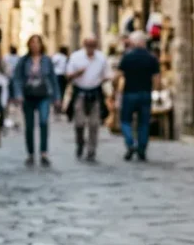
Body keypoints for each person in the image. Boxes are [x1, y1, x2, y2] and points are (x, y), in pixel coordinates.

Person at [10, 35, 61, 167]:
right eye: (32, 43)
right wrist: (18, 94)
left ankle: (44, 153)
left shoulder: (46, 60)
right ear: (29, 45)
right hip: (28, 95)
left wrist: (57, 97)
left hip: (43, 95)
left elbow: (53, 79)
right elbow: (17, 78)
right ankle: (31, 154)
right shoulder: (23, 60)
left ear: (41, 45)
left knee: (44, 122)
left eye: (37, 43)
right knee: (29, 126)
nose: (35, 45)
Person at [117, 30, 161, 161]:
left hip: (129, 93)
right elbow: (157, 79)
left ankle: (130, 143)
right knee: (144, 123)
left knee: (125, 121)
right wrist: (155, 91)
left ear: (134, 42)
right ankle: (141, 148)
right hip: (145, 93)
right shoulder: (152, 57)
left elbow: (119, 76)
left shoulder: (127, 57)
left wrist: (117, 92)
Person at [65, 35, 110, 162]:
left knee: (94, 124)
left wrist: (103, 79)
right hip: (80, 92)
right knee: (79, 122)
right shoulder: (76, 57)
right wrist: (77, 73)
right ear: (84, 45)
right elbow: (68, 75)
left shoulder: (101, 58)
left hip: (95, 92)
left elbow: (107, 74)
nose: (91, 47)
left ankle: (91, 150)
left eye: (93, 45)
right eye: (88, 45)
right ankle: (80, 143)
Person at [51, 46, 70, 113]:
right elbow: (66, 68)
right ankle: (59, 106)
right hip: (61, 76)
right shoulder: (65, 58)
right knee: (61, 91)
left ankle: (56, 105)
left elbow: (52, 64)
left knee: (56, 90)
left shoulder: (56, 56)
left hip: (56, 75)